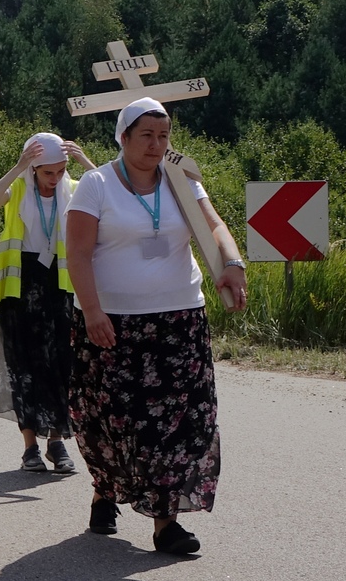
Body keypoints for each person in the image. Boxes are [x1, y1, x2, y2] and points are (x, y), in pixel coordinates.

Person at [67, 98, 248, 556]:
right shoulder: (96, 184)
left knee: (179, 423)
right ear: (123, 137)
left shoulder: (181, 182)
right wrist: (92, 311)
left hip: (179, 318)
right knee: (110, 422)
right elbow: (78, 254)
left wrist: (231, 261)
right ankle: (104, 490)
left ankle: (165, 524)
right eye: (146, 135)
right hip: (113, 324)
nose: (156, 144)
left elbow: (214, 226)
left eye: (163, 135)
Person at [0, 132, 95, 474]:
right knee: (24, 365)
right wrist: (18, 167)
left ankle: (57, 442)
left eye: (60, 171)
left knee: (62, 364)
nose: (55, 178)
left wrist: (85, 163)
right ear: (33, 169)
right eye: (48, 172)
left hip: (60, 286)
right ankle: (30, 446)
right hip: (21, 284)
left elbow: (109, 195)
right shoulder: (18, 188)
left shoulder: (74, 190)